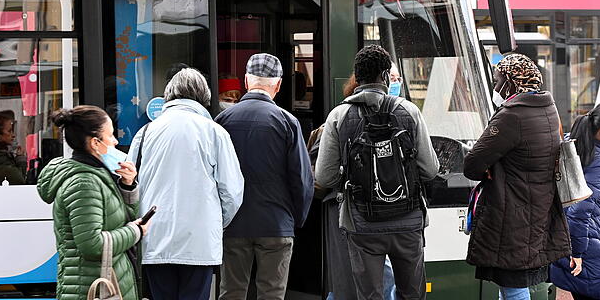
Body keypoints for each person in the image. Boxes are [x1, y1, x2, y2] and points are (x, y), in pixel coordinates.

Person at [316, 45, 439, 300]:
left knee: (369, 294)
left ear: (357, 77)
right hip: (408, 222)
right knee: (412, 294)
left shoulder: (338, 116)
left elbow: (324, 177)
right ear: (385, 76)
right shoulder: (409, 111)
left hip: (362, 224)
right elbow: (430, 169)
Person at [129, 68, 245, 300]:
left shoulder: (145, 133)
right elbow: (232, 192)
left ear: (169, 96)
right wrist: (216, 223)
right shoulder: (215, 133)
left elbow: (130, 184)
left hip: (154, 239)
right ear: (204, 97)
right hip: (200, 242)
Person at [463, 53, 570, 300]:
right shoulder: (547, 108)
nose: (495, 87)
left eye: (498, 80)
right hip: (537, 208)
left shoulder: (512, 115)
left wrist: (488, 166)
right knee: (512, 285)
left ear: (512, 82)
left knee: (512, 286)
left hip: (511, 213)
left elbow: (472, 165)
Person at [215, 53, 314, 300]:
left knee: (232, 293)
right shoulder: (287, 122)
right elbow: (302, 180)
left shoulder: (223, 120)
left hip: (233, 224)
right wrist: (294, 219)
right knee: (272, 294)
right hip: (276, 223)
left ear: (246, 81)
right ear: (278, 85)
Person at [37, 105, 148, 300]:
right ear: (96, 143)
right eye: (111, 136)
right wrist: (135, 232)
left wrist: (127, 186)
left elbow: (118, 218)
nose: (115, 141)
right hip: (90, 289)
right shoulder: (83, 183)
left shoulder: (98, 175)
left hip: (101, 283)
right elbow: (92, 245)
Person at [550, 101, 600, 300]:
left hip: (569, 238)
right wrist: (577, 253)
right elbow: (579, 210)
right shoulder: (596, 161)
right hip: (586, 244)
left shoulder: (572, 147)